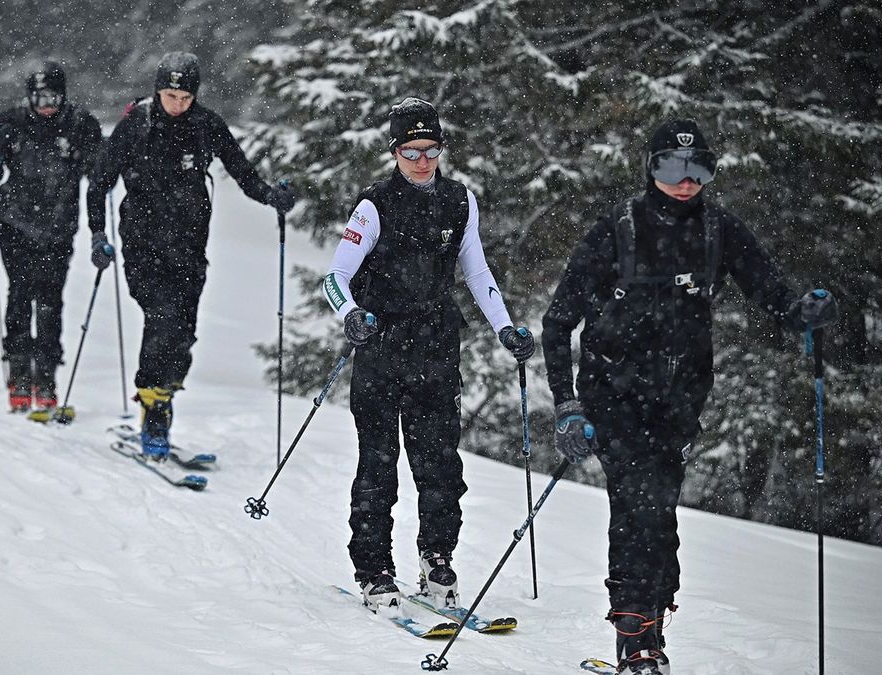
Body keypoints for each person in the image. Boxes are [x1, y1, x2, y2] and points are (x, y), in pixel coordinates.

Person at [541, 119, 839, 675]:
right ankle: (636, 639)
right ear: (651, 168)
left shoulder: (718, 230)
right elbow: (558, 323)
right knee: (637, 507)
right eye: (673, 168)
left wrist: (806, 313)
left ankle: (652, 614)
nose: (687, 181)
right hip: (614, 393)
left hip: (678, 399)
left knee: (659, 510)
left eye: (699, 169)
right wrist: (568, 406)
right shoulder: (617, 230)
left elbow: (769, 292)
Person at [320, 97, 536, 614]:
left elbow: (477, 272)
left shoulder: (460, 201)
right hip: (381, 346)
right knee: (378, 464)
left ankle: (437, 559)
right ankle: (374, 570)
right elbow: (335, 277)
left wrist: (506, 329)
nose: (422, 160)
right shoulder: (373, 206)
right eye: (411, 150)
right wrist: (350, 314)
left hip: (437, 348)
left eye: (431, 149)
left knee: (440, 464)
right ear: (394, 151)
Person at [87, 51, 295, 456]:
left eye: (185, 98)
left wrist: (272, 197)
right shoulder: (136, 125)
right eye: (170, 96)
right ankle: (153, 409)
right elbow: (99, 184)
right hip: (143, 242)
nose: (178, 104)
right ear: (157, 91)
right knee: (162, 318)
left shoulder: (206, 125)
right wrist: (98, 235)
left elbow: (243, 173)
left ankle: (163, 398)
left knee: (184, 332)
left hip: (188, 245)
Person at [0, 61, 103, 411]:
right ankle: (18, 369)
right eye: (40, 97)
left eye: (53, 97)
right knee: (20, 294)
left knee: (50, 301)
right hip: (15, 223)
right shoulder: (11, 121)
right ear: (29, 96)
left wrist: (96, 162)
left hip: (59, 228)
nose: (46, 104)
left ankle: (45, 374)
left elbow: (101, 169)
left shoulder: (80, 124)